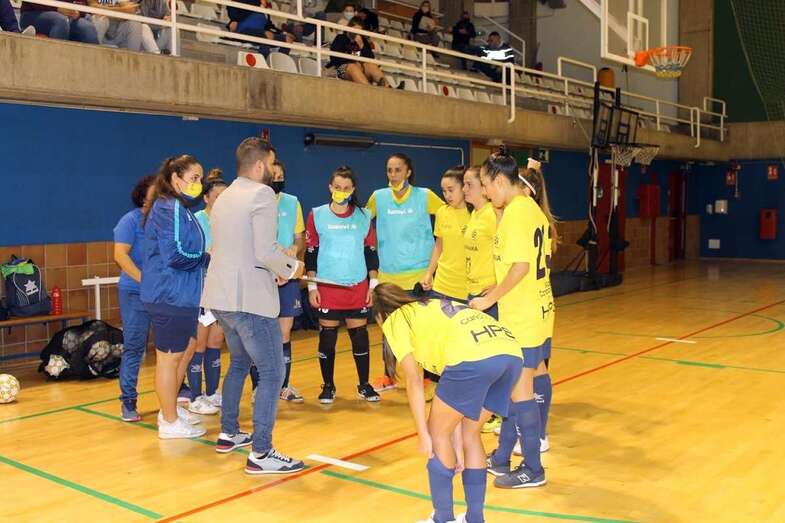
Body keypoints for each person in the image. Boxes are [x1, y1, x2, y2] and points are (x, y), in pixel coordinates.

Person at [373, 283, 522, 523]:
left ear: (380, 316)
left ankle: (442, 518)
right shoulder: (432, 305)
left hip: (474, 358)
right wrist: (454, 441)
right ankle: (475, 518)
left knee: (437, 434)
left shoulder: (396, 319)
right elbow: (455, 396)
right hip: (510, 354)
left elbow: (414, 380)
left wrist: (424, 433)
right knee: (470, 435)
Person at [201, 137, 306, 474]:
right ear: (260, 166)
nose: (275, 171)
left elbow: (241, 247)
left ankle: (229, 432)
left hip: (222, 298)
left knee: (240, 363)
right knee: (273, 372)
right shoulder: (262, 194)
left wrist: (273, 268)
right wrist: (291, 268)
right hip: (249, 301)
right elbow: (264, 251)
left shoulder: (226, 195)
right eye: (272, 165)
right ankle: (262, 452)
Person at [470, 150, 554, 488]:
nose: (486, 193)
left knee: (520, 392)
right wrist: (492, 289)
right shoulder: (529, 208)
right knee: (515, 388)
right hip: (534, 309)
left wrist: (489, 298)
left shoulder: (518, 213)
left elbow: (520, 267)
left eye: (487, 185)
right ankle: (504, 456)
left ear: (501, 181)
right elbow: (519, 266)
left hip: (524, 315)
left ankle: (532, 468)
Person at [141, 155, 210, 439]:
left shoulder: (180, 208)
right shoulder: (168, 208)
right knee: (169, 358)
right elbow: (176, 254)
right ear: (175, 178)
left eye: (200, 178)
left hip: (183, 295)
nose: (198, 184)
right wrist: (206, 258)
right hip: (168, 294)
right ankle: (169, 423)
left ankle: (169, 408)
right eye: (194, 178)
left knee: (187, 349)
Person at [367, 153, 444, 391]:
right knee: (388, 329)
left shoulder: (425, 196)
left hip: (420, 275)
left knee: (423, 327)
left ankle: (430, 374)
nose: (393, 175)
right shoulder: (378, 197)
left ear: (408, 172)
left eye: (398, 170)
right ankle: (389, 375)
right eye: (389, 170)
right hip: (389, 277)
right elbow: (360, 221)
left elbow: (448, 217)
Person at [305, 166, 380, 404]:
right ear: (330, 188)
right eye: (337, 187)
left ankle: (364, 385)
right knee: (327, 338)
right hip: (327, 286)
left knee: (359, 336)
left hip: (357, 286)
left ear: (353, 189)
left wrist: (373, 285)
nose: (341, 191)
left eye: (346, 188)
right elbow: (311, 253)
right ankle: (328, 386)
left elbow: (371, 253)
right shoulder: (316, 215)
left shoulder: (363, 216)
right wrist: (312, 287)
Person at [250, 159, 307, 403]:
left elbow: (300, 239)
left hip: (286, 275)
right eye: (273, 174)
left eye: (280, 175)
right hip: (259, 275)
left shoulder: (293, 203)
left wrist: (295, 248)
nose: (277, 178)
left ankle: (283, 386)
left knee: (284, 333)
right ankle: (258, 387)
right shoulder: (253, 201)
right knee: (259, 333)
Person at [113, 175, 155, 422]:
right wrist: (144, 279)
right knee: (135, 347)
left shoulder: (163, 222)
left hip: (160, 294)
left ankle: (177, 394)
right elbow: (120, 255)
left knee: (170, 348)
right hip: (134, 292)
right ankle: (128, 401)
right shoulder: (129, 222)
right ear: (142, 196)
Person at [186, 173, 228, 415]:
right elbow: (191, 255)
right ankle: (195, 396)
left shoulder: (232, 222)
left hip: (222, 290)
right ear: (206, 198)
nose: (222, 200)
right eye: (217, 196)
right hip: (201, 289)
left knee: (215, 342)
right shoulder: (197, 221)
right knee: (198, 345)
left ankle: (212, 393)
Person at [420, 166, 470, 302]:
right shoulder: (442, 212)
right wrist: (429, 273)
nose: (447, 195)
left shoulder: (477, 214)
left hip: (466, 289)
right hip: (441, 285)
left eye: (451, 190)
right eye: (444, 191)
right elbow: (439, 246)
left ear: (465, 187)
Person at [328, 17, 391, 87]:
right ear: (349, 28)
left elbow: (370, 58)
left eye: (359, 31)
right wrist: (353, 61)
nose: (356, 33)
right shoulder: (340, 38)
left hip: (360, 67)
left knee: (372, 65)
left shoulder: (363, 41)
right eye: (354, 30)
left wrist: (362, 46)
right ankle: (370, 91)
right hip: (341, 69)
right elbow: (335, 58)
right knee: (353, 67)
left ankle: (388, 88)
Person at [227, 0, 294, 57]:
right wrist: (234, 20)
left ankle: (278, 63)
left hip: (260, 33)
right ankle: (263, 62)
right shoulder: (251, 1)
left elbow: (269, 26)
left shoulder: (265, 10)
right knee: (266, 35)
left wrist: (282, 33)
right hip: (243, 30)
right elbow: (232, 5)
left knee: (288, 39)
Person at [19, 0, 99, 43]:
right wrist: (57, 9)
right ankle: (56, 66)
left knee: (87, 28)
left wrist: (78, 11)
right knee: (60, 21)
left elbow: (82, 3)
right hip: (33, 13)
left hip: (66, 16)